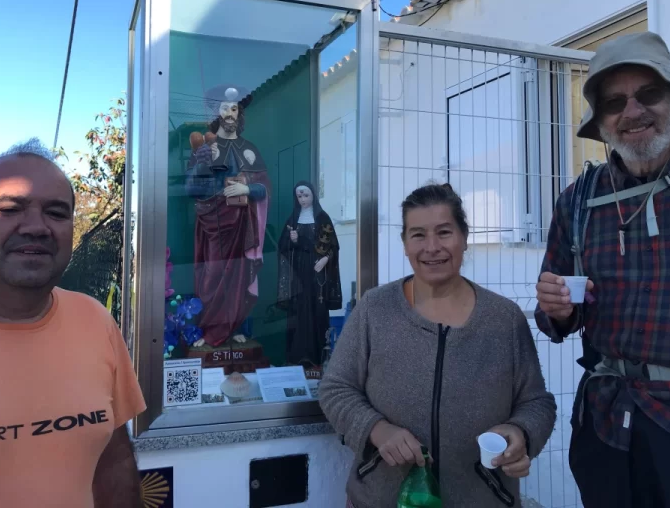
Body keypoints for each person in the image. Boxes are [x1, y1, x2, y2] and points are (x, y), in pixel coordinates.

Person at [0, 139, 146, 508]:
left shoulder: (94, 321)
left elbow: (113, 458)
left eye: (57, 213)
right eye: (10, 208)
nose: (37, 227)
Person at [320, 183, 556, 508]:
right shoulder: (375, 309)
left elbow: (536, 402)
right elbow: (335, 389)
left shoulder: (504, 319)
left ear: (464, 237)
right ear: (404, 244)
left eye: (444, 232)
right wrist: (376, 430)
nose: (432, 247)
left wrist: (522, 434)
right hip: (382, 500)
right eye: (418, 235)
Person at [535, 31, 670, 507]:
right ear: (601, 121)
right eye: (615, 102)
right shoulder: (579, 201)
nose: (633, 112)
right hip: (605, 419)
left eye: (649, 94)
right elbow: (557, 316)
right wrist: (556, 309)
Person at [185, 85, 270, 348]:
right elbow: (190, 189)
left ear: (240, 114)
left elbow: (264, 188)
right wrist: (201, 163)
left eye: (234, 109)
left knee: (240, 278)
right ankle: (210, 330)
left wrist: (247, 188)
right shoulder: (205, 147)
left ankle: (236, 328)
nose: (230, 114)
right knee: (211, 275)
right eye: (225, 108)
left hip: (242, 227)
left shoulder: (250, 149)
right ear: (217, 114)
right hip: (213, 223)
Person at [277, 181, 342, 368]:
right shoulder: (293, 219)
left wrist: (325, 260)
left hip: (317, 275)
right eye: (299, 196)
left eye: (306, 195)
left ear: (313, 195)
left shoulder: (323, 218)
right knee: (299, 313)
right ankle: (297, 357)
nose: (303, 199)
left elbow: (333, 246)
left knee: (317, 311)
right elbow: (283, 247)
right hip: (298, 274)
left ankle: (317, 358)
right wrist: (293, 241)